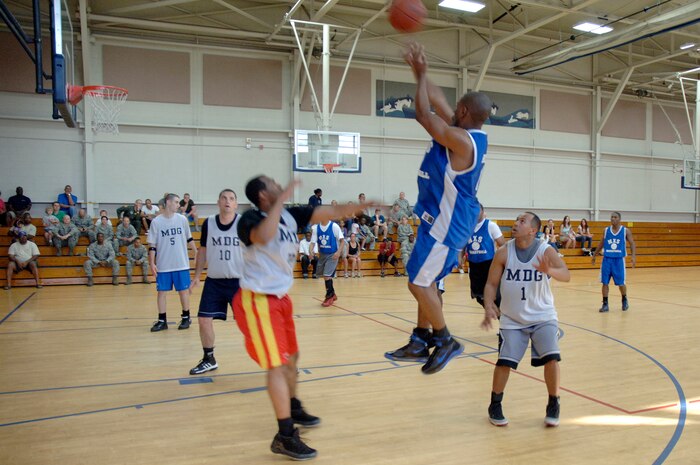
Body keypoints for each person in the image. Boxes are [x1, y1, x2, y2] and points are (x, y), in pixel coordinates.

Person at [234, 175, 368, 460]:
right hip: (257, 300)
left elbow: (329, 213)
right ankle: (284, 436)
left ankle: (292, 405)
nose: (277, 184)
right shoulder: (248, 219)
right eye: (271, 183)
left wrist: (361, 205)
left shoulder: (291, 215)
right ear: (262, 195)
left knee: (292, 358)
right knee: (277, 366)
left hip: (280, 298)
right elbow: (263, 236)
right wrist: (281, 201)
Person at [385, 42, 492, 374]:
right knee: (424, 279)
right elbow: (438, 100)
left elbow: (422, 113)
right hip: (439, 221)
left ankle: (445, 340)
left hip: (448, 224)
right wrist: (421, 71)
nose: (452, 108)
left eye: (457, 107)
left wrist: (419, 78)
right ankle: (420, 340)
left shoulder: (461, 141)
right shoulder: (463, 128)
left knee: (418, 282)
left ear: (463, 113)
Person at [481, 212, 570, 428]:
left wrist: (549, 269)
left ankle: (553, 402)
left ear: (533, 230)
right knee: (504, 362)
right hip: (512, 318)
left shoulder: (545, 250)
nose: (516, 223)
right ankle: (495, 403)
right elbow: (491, 283)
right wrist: (488, 305)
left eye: (522, 221)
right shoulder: (504, 252)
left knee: (552, 358)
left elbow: (566, 274)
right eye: (516, 220)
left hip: (543, 316)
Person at [188, 189, 244, 375]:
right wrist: (197, 276)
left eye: (231, 199)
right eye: (224, 198)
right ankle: (209, 358)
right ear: (218, 202)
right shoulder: (209, 223)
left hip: (239, 282)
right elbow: (203, 251)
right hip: (214, 281)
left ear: (236, 204)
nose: (227, 201)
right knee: (204, 319)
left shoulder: (244, 223)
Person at [148, 193, 198, 332]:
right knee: (161, 293)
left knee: (183, 291)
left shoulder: (182, 220)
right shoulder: (157, 222)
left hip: (181, 263)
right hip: (164, 264)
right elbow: (152, 245)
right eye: (176, 202)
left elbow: (189, 238)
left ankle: (186, 317)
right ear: (168, 202)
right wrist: (152, 263)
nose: (179, 204)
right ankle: (162, 320)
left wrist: (196, 252)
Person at [591, 212, 636, 313]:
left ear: (619, 219)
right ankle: (605, 304)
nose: (613, 219)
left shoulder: (625, 231)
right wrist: (594, 255)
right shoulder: (606, 230)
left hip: (619, 260)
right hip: (607, 259)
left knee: (621, 283)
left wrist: (633, 256)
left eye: (615, 217)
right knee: (604, 282)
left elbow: (632, 243)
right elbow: (601, 243)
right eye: (612, 217)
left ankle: (624, 299)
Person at [467, 204, 506, 308]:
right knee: (478, 296)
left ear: (483, 212)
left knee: (494, 296)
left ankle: (502, 316)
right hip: (473, 265)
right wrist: (459, 257)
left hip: (488, 265)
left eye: (478, 210)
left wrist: (503, 262)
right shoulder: (467, 226)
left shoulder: (491, 225)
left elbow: (503, 245)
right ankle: (497, 313)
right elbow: (462, 245)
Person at [310, 219, 344, 307]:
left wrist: (338, 252)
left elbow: (342, 241)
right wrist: (310, 251)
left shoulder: (334, 226)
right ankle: (333, 294)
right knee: (324, 276)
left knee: (326, 275)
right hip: (322, 254)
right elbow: (312, 243)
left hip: (333, 254)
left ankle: (329, 297)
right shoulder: (316, 228)